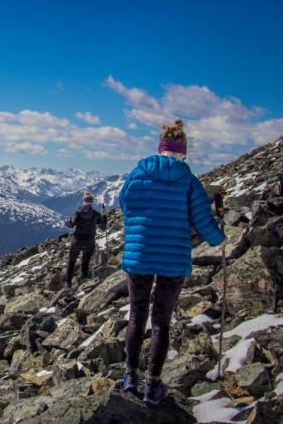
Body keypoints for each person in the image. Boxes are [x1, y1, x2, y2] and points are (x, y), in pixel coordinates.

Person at [118, 119, 225, 407]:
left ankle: (129, 377)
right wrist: (219, 239)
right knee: (161, 322)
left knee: (136, 316)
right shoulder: (189, 181)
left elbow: (123, 202)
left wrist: (143, 225)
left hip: (139, 255)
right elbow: (203, 220)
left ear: (161, 147)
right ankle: (152, 386)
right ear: (183, 151)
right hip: (173, 258)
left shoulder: (138, 172)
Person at [63, 192, 108, 287]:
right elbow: (103, 227)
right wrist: (104, 216)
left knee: (71, 262)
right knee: (85, 262)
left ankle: (68, 283)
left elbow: (70, 224)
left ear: (84, 201)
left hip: (77, 241)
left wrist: (66, 222)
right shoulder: (96, 214)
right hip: (89, 242)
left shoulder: (77, 213)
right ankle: (84, 283)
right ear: (92, 202)